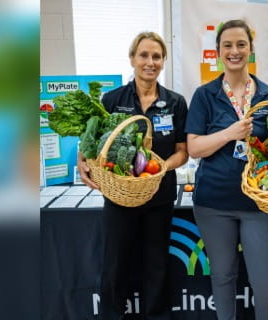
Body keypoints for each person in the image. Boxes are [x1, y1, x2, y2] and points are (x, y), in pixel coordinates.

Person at [78, 31, 189, 320]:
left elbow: (183, 151)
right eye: (144, 55)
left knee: (156, 264)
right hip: (119, 198)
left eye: (156, 56)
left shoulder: (175, 102)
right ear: (132, 58)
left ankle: (156, 315)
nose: (150, 62)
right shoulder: (112, 99)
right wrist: (82, 161)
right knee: (115, 264)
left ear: (163, 61)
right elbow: (94, 140)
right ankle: (112, 315)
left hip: (159, 195)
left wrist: (161, 168)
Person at [184, 20, 268, 320]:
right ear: (218, 52)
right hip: (214, 204)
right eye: (227, 45)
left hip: (260, 205)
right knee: (223, 277)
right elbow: (195, 148)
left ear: (251, 50)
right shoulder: (204, 95)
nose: (234, 50)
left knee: (265, 285)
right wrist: (230, 133)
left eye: (241, 44)